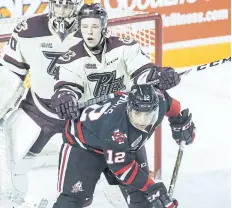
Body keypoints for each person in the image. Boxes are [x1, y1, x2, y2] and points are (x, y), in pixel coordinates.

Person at [51, 3, 181, 206]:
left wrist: (159, 76)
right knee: (72, 201)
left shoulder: (124, 47)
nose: (89, 32)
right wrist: (65, 98)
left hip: (125, 130)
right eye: (84, 27)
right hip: (85, 141)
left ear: (104, 27)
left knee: (143, 199)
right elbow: (67, 87)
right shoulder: (71, 58)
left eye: (94, 26)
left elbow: (143, 74)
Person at [52, 84, 196, 208]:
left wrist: (179, 122)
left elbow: (173, 105)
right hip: (83, 145)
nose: (143, 121)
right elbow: (123, 169)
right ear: (128, 108)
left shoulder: (160, 100)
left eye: (148, 115)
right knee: (74, 199)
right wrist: (152, 188)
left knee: (144, 200)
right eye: (137, 114)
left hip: (125, 146)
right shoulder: (116, 129)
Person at [0, 0, 85, 198]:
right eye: (58, 5)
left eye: (68, 6)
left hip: (80, 112)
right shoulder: (29, 29)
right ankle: (16, 201)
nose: (62, 11)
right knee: (15, 164)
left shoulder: (92, 28)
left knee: (110, 161)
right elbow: (10, 74)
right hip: (37, 110)